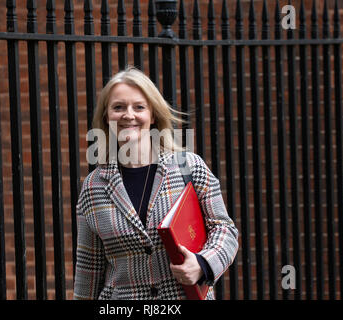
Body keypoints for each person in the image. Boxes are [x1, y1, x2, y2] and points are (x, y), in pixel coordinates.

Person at [73, 66, 238, 300]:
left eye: (139, 107)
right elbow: (88, 270)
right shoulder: (93, 186)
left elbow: (225, 230)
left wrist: (202, 264)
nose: (128, 115)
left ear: (152, 116)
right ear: (106, 117)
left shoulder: (188, 167)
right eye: (118, 107)